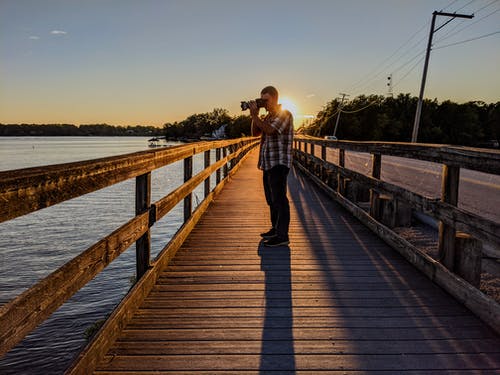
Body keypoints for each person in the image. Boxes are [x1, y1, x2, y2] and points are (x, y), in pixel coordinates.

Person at [249, 86, 293, 247]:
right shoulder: (268, 116)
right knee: (271, 199)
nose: (264, 103)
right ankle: (275, 229)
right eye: (261, 99)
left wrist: (256, 116)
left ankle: (283, 236)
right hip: (268, 163)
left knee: (280, 199)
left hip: (279, 163)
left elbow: (270, 130)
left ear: (275, 98)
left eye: (265, 100)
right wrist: (254, 116)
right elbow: (255, 133)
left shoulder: (284, 114)